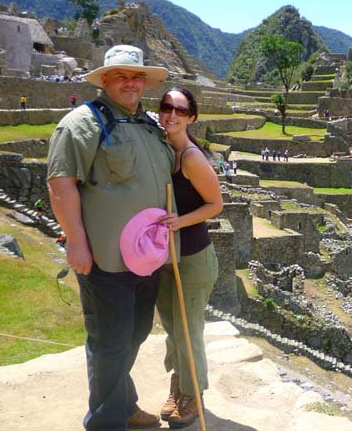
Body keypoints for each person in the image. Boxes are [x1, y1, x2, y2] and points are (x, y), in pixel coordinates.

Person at [47, 44, 175, 431]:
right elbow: (60, 183)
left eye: (137, 76)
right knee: (109, 343)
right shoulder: (82, 124)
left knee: (134, 335)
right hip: (106, 258)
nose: (131, 83)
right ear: (104, 79)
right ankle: (106, 422)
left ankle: (122, 403)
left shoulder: (150, 126)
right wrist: (76, 241)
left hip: (146, 257)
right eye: (122, 75)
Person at [155, 87, 222, 427]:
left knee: (188, 331)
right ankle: (178, 385)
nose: (172, 114)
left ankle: (194, 393)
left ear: (191, 117)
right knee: (172, 329)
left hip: (193, 258)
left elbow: (216, 204)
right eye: (167, 107)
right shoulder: (164, 149)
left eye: (180, 110)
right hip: (165, 258)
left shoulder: (192, 158)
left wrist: (179, 221)